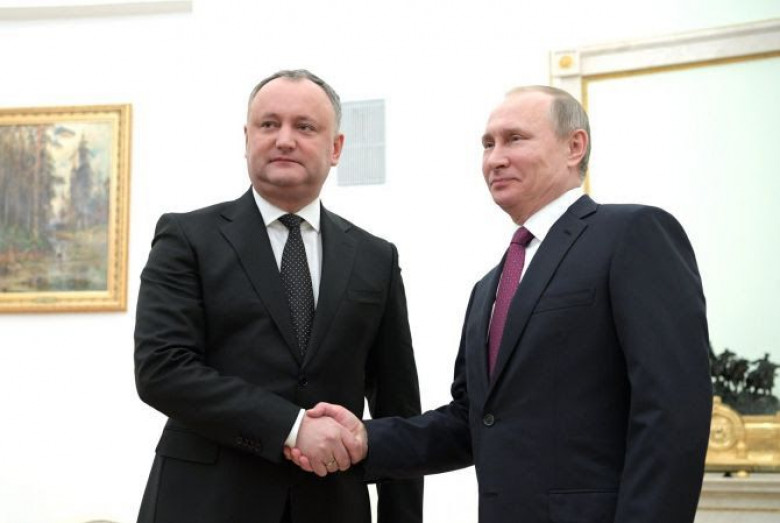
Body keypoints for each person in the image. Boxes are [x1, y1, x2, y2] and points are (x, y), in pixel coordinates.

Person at [288, 85, 713, 523]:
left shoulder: (632, 233)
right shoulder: (488, 287)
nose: (495, 159)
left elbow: (672, 410)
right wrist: (366, 439)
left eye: (515, 139)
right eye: (487, 144)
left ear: (574, 146)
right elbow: (471, 422)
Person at [134, 69, 423, 523]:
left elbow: (398, 407)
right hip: (206, 502)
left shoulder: (375, 258)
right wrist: (291, 427)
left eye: (305, 127)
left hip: (332, 506)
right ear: (247, 138)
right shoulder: (187, 238)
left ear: (336, 148)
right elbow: (162, 369)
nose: (284, 140)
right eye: (269, 124)